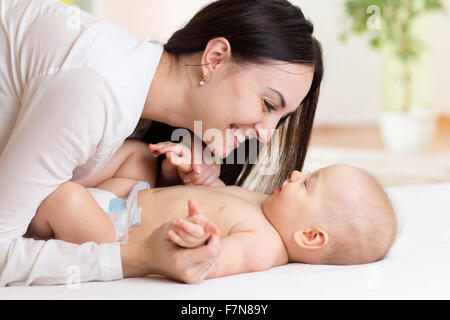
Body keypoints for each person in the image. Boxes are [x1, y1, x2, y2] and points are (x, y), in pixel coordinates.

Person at [0, 0, 323, 286]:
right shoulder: (96, 91)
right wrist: (140, 258)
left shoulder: (135, 106)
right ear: (214, 58)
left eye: (280, 119)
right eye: (268, 105)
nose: (267, 134)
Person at [26, 140, 397, 282]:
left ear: (310, 237)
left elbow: (213, 259)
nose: (296, 174)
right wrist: (190, 172)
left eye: (308, 183)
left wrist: (200, 241)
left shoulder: (264, 245)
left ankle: (21, 199)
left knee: (65, 197)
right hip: (129, 199)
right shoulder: (264, 204)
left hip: (116, 234)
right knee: (139, 154)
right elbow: (212, 196)